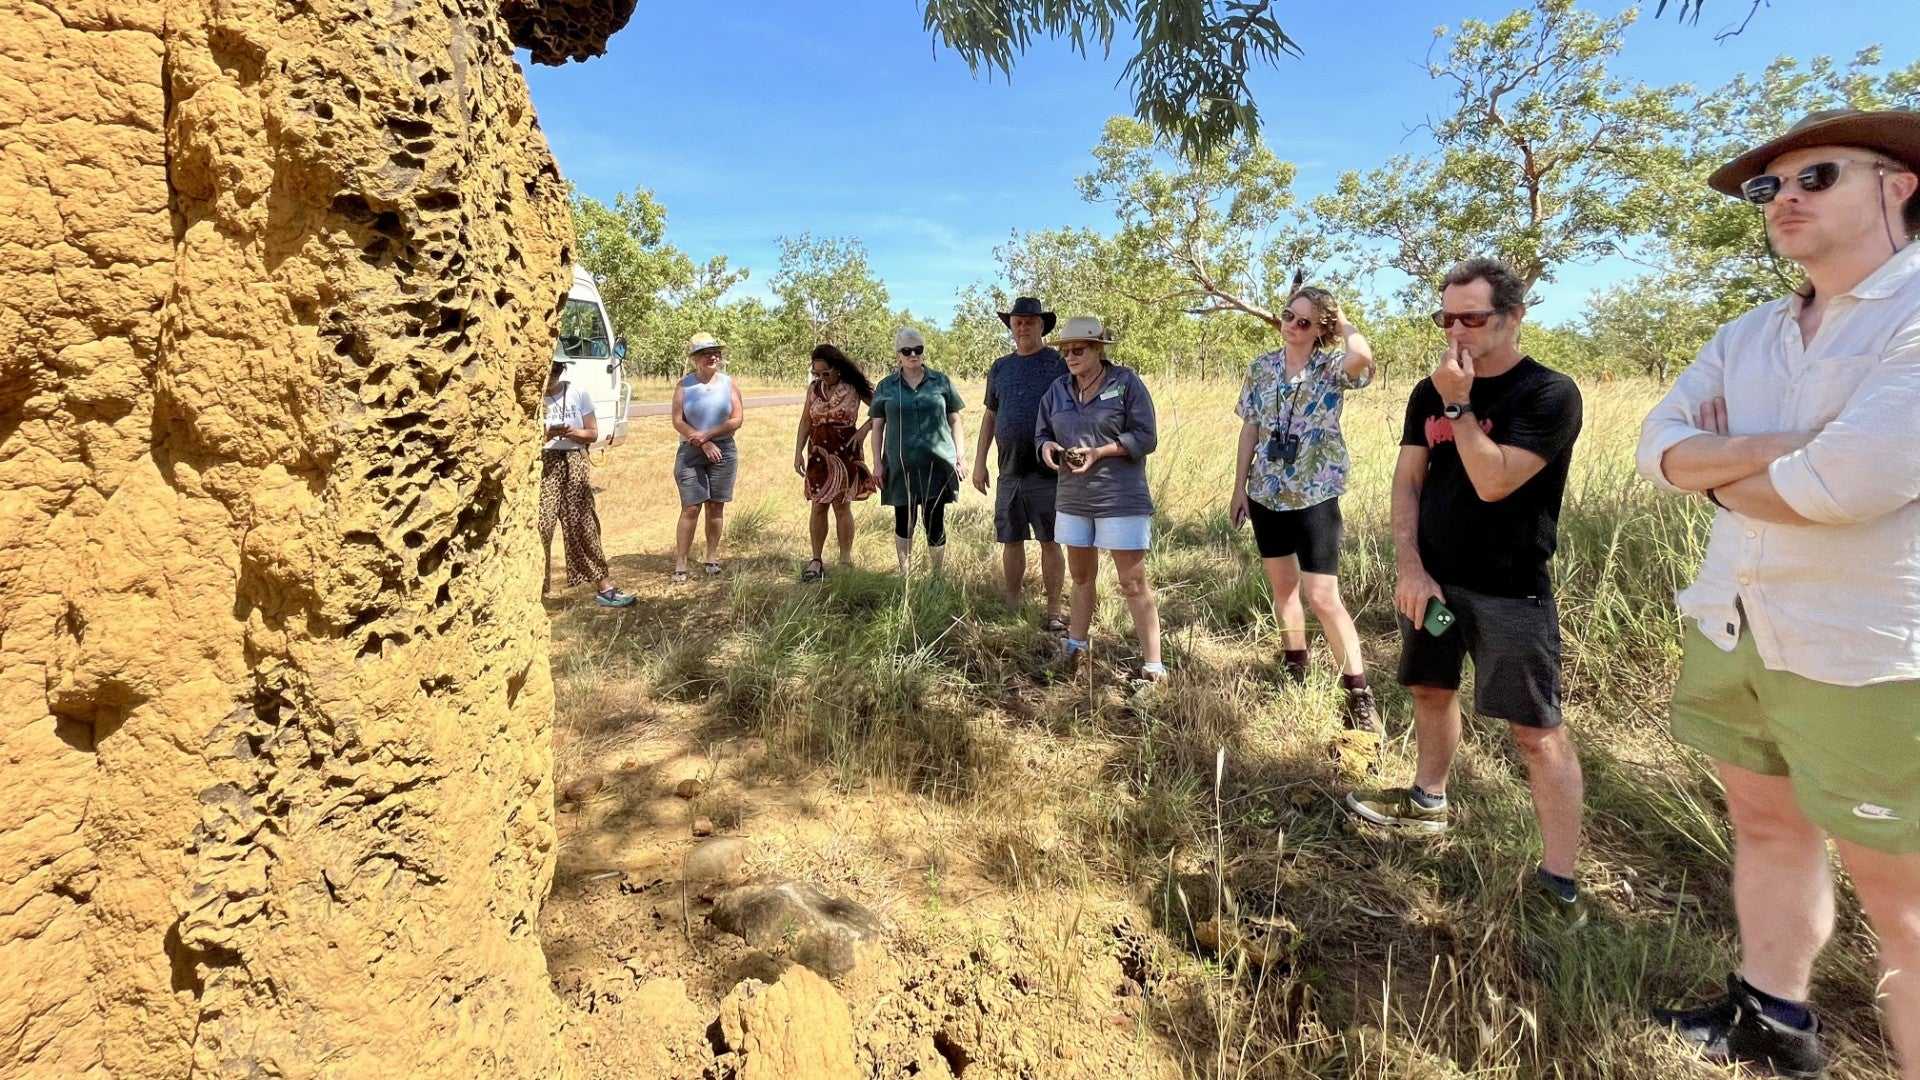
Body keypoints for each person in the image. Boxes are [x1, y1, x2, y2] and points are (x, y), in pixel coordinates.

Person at [1636, 109, 1920, 1080]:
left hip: (1868, 649)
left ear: (1899, 183)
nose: (1783, 199)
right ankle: (1773, 1018)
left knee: (1906, 899)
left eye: (1816, 177)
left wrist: (1715, 465)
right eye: (1768, 188)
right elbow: (1656, 445)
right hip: (1736, 615)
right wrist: (1778, 451)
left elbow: (1843, 487)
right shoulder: (1749, 332)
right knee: (1765, 822)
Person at [1340, 257, 1587, 923]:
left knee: (1535, 732)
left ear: (1512, 318)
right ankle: (1428, 800)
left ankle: (1559, 881)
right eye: (1444, 317)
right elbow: (1408, 481)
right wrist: (1409, 566)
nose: (1455, 329)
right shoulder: (1428, 391)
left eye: (1471, 317)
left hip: (1510, 592)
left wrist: (1460, 402)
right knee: (1429, 689)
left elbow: (1495, 480)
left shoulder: (1548, 394)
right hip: (1436, 582)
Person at [1228, 285, 1378, 729]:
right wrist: (1239, 489)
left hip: (1314, 493)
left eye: (1304, 322)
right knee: (1284, 589)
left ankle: (1358, 692)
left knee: (1322, 595)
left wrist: (1344, 321)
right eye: (1288, 316)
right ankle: (1295, 664)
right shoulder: (1262, 367)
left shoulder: (1331, 367)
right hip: (1267, 492)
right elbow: (1249, 430)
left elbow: (1362, 358)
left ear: (1321, 330)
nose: (1291, 326)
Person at [1035, 316, 1164, 681]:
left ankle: (1154, 666)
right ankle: (1075, 648)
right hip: (1073, 498)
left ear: (1098, 350)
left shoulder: (1126, 384)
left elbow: (1146, 436)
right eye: (1066, 351)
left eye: (1079, 350)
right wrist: (1047, 447)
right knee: (1080, 577)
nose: (1070, 357)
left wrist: (1101, 452)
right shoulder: (1057, 390)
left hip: (1120, 498)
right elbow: (1041, 432)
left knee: (1132, 582)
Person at [973, 296, 1070, 631]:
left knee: (1050, 539)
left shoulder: (1057, 363)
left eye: (1030, 321)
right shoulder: (1000, 367)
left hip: (1049, 471)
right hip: (1009, 470)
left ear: (1041, 326)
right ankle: (1013, 602)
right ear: (1011, 327)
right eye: (1018, 322)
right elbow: (990, 415)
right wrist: (979, 462)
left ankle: (1054, 609)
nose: (1023, 327)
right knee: (1010, 539)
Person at [539, 355, 635, 607]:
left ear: (561, 371)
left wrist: (572, 432)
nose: (551, 377)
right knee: (541, 526)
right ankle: (537, 593)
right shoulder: (532, 397)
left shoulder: (578, 393)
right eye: (548, 372)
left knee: (583, 524)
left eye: (555, 372)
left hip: (574, 460)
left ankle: (604, 587)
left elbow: (592, 433)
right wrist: (547, 433)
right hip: (544, 464)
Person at [869, 328, 967, 574]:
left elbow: (955, 420)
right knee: (904, 521)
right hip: (901, 466)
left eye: (918, 350)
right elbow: (877, 426)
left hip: (936, 466)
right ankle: (906, 575)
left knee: (935, 522)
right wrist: (878, 465)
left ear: (923, 351)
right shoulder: (886, 386)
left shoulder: (941, 381)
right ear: (898, 355)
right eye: (907, 351)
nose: (913, 355)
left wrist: (960, 457)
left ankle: (937, 575)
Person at [794, 343, 878, 581]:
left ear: (838, 369)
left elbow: (882, 408)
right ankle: (816, 560)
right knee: (818, 505)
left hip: (845, 452)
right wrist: (798, 451)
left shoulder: (853, 387)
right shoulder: (813, 389)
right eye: (816, 373)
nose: (821, 378)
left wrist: (864, 430)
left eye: (825, 373)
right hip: (818, 453)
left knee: (842, 505)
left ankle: (845, 560)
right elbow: (805, 422)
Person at [671, 332, 744, 584]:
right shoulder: (684, 385)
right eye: (705, 353)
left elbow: (737, 419)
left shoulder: (728, 383)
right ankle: (681, 561)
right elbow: (678, 421)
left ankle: (711, 557)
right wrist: (700, 441)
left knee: (716, 505)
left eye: (715, 352)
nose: (712, 356)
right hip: (691, 451)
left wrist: (709, 435)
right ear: (695, 359)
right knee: (691, 507)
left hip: (723, 449)